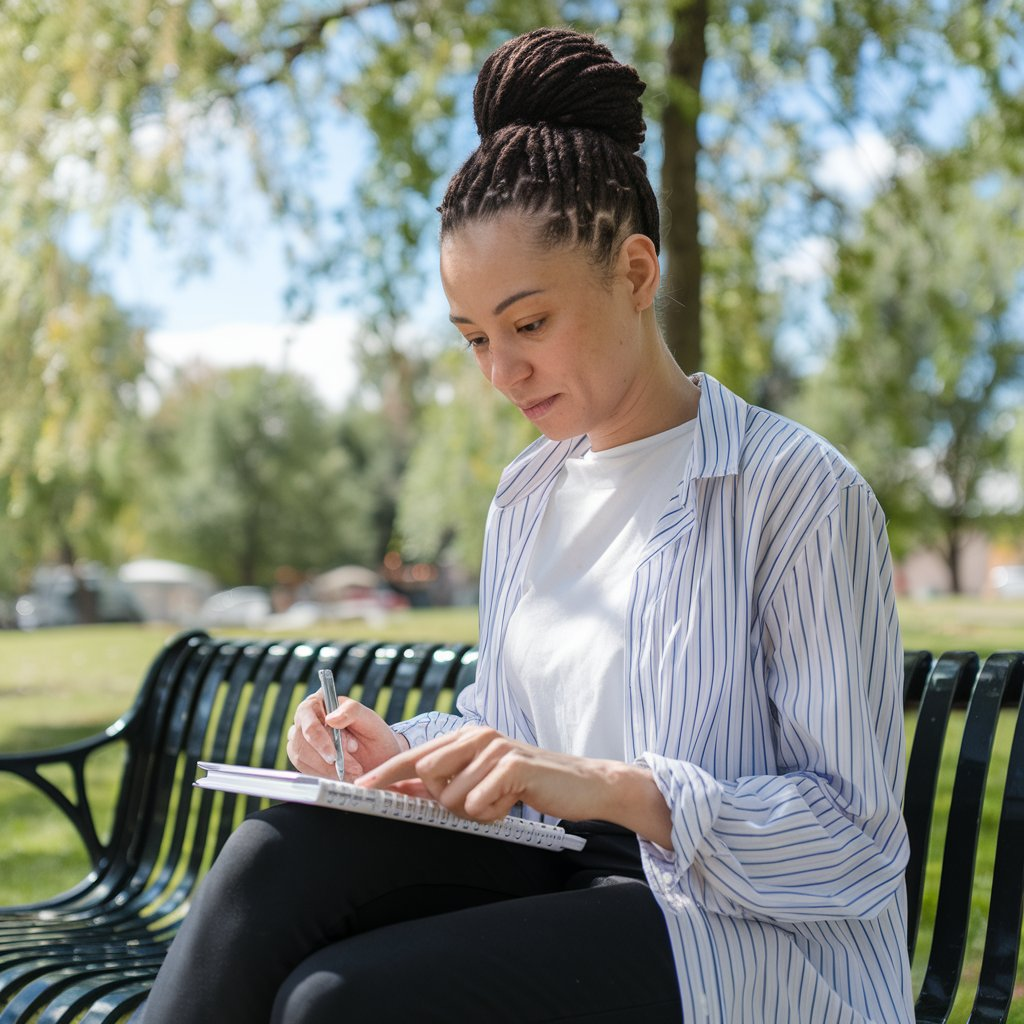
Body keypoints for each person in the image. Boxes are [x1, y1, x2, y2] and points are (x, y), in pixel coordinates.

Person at [142, 27, 913, 1024]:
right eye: (473, 339)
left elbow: (852, 835)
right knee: (268, 863)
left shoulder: (794, 490)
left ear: (635, 274)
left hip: (727, 932)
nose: (501, 373)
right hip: (546, 868)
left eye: (529, 324)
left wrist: (618, 788)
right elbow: (512, 732)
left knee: (336, 1003)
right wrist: (398, 751)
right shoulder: (529, 491)